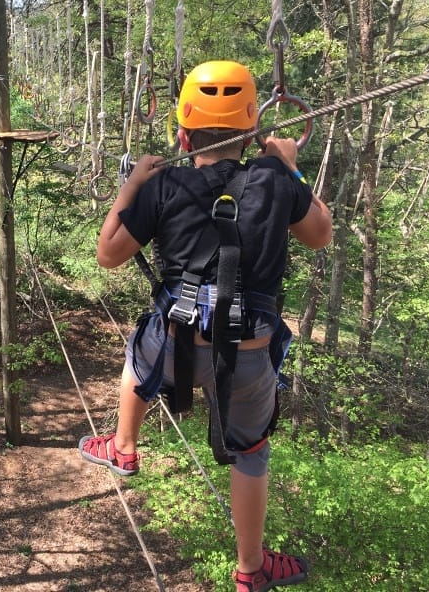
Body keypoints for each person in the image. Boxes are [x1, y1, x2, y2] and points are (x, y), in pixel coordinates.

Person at [78, 60, 333, 592]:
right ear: (253, 130)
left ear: (182, 132)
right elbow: (320, 234)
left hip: (174, 346)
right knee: (251, 452)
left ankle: (124, 445)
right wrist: (288, 168)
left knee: (137, 355)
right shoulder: (273, 180)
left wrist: (131, 186)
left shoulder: (165, 184)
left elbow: (108, 254)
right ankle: (250, 569)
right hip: (248, 356)